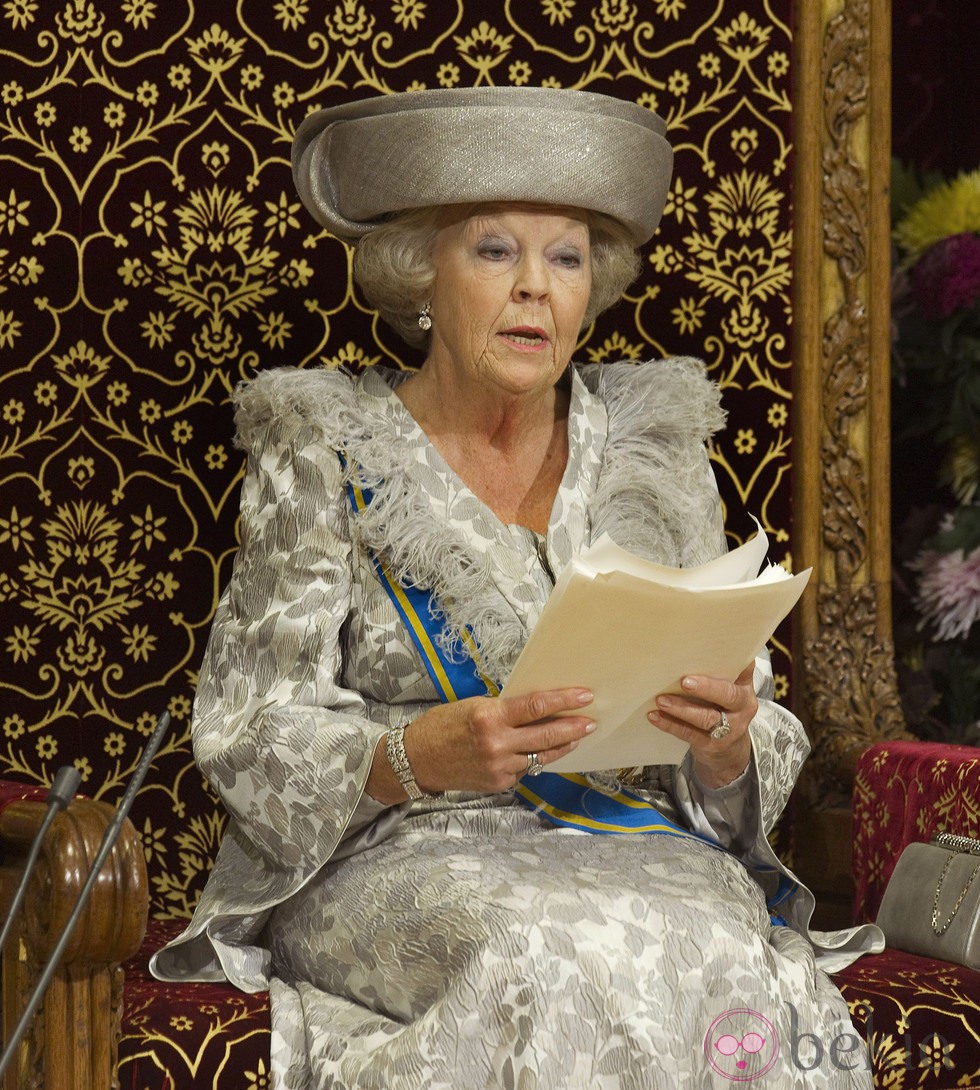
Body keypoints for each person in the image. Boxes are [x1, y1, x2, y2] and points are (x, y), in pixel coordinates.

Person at [152, 87, 882, 1088]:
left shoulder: (654, 451)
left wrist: (722, 743)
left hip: (635, 843)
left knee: (703, 937)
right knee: (540, 947)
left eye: (567, 256)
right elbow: (248, 726)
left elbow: (750, 708)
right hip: (398, 857)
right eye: (494, 250)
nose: (535, 287)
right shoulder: (325, 449)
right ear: (420, 277)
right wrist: (413, 754)